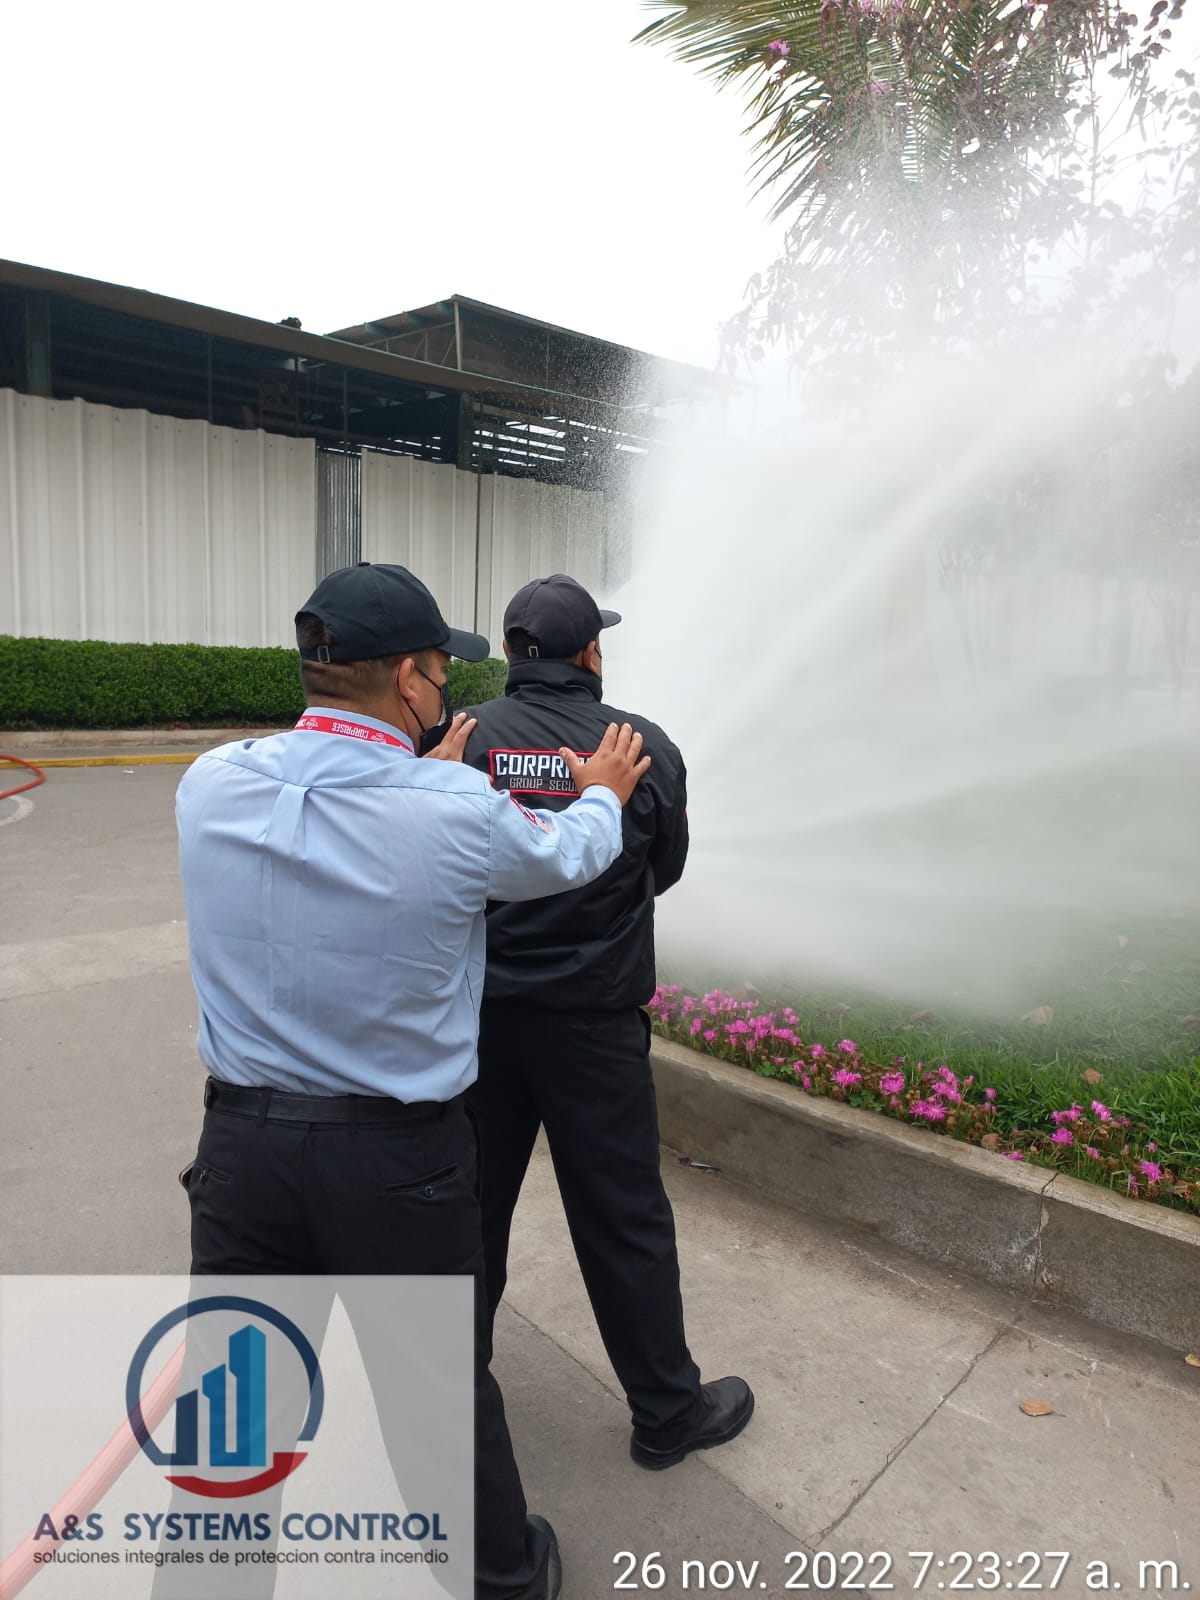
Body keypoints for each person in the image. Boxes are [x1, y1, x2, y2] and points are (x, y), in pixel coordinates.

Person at [173, 560, 652, 1600]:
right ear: (410, 680)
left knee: (236, 1401)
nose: (446, 689)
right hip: (397, 1161)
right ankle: (501, 1574)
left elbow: (334, 810)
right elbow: (567, 855)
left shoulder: (209, 784)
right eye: (441, 671)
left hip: (242, 1152)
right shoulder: (451, 808)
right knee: (436, 1388)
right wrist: (606, 790)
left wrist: (421, 761)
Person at [462, 574, 755, 1471]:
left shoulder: (458, 738)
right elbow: (661, 869)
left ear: (512, 653)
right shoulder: (642, 747)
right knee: (624, 1217)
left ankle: (445, 1390)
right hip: (593, 1030)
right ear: (592, 653)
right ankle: (667, 1412)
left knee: (467, 1215)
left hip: (476, 1026)